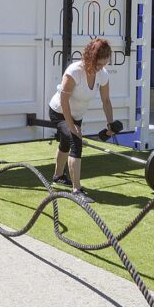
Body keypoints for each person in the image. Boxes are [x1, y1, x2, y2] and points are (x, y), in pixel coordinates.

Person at [46, 36, 116, 203]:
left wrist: (110, 124)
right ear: (90, 58)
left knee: (66, 143)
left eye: (104, 64)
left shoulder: (102, 75)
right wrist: (72, 127)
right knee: (75, 141)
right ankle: (77, 190)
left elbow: (106, 101)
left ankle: (58, 176)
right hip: (59, 112)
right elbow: (64, 101)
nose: (101, 68)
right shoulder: (74, 71)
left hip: (77, 114)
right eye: (98, 64)